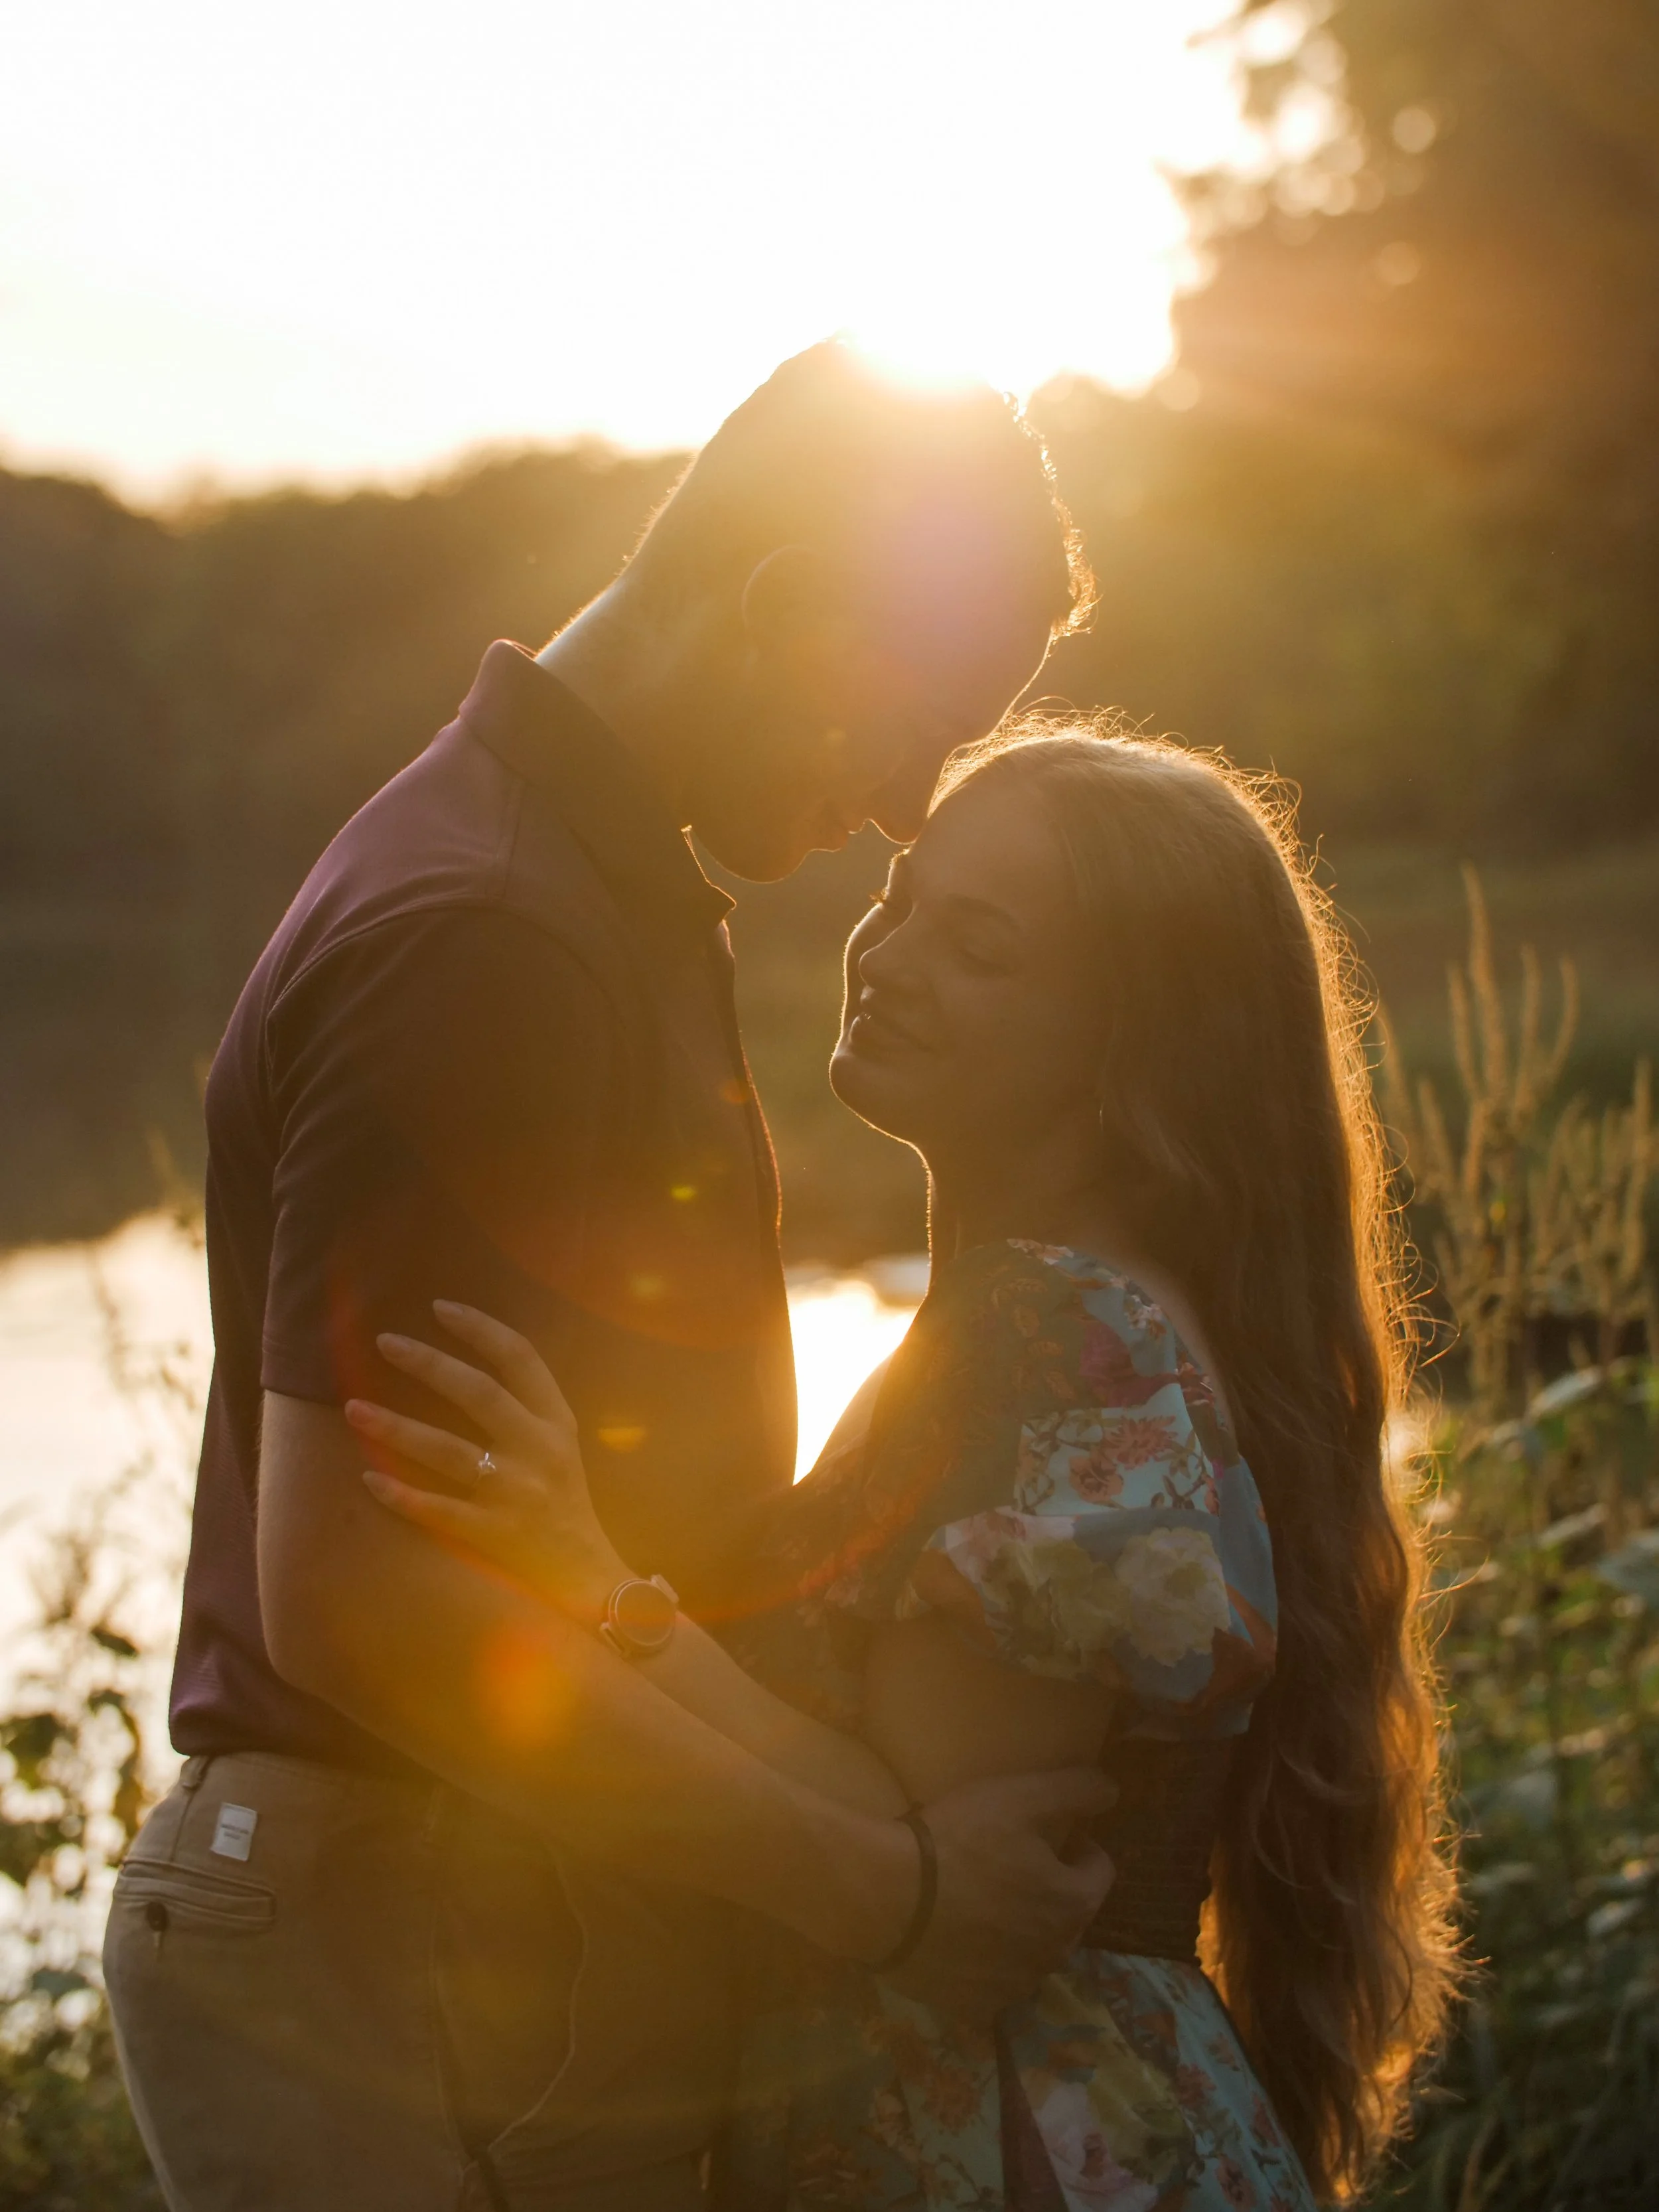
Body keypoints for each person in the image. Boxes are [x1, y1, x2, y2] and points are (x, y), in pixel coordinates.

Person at [103, 344, 1115, 2212]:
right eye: (914, 726)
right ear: (783, 609)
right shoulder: (490, 930)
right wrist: (880, 1889)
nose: (909, 804)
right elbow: (359, 1590)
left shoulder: (582, 887)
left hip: (475, 1929)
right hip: (400, 1942)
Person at [348, 726, 1463, 2210]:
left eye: (981, 944)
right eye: (905, 899)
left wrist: (590, 1578)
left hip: (998, 2135)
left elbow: (925, 1844)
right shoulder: (1043, 1319)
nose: (889, 955)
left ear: (1129, 1041)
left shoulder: (1061, 1332)